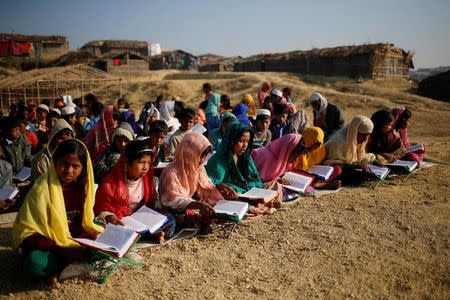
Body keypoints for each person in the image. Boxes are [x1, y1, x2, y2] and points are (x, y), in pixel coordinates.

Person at [12, 139, 103, 284]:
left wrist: (82, 241)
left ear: (83, 167)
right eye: (64, 164)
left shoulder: (82, 190)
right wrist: (62, 249)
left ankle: (62, 268)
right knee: (35, 263)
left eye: (75, 166)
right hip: (47, 245)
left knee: (98, 233)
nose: (68, 171)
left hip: (70, 240)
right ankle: (64, 266)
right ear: (55, 162)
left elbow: (82, 223)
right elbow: (28, 234)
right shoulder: (41, 191)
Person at [94, 140, 173, 242]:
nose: (145, 168)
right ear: (127, 161)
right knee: (110, 228)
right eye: (141, 162)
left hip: (139, 219)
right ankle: (148, 234)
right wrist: (111, 218)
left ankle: (144, 234)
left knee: (169, 218)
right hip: (121, 220)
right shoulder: (110, 183)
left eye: (148, 163)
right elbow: (99, 209)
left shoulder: (147, 180)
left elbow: (150, 205)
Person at [206, 121, 281, 214]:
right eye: (241, 141)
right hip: (235, 193)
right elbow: (210, 184)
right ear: (231, 140)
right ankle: (257, 206)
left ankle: (257, 204)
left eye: (247, 141)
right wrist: (221, 186)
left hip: (249, 190)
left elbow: (254, 179)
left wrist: (255, 190)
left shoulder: (245, 156)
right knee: (234, 198)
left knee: (275, 185)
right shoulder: (218, 159)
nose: (245, 145)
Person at [159, 132, 224, 230]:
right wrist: (196, 204)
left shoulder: (197, 167)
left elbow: (206, 186)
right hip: (174, 210)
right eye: (201, 155)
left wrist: (219, 188)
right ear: (190, 153)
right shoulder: (171, 173)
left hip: (188, 204)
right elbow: (172, 200)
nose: (203, 160)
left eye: (205, 156)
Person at [323, 115, 376, 185]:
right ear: (354, 131)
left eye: (368, 135)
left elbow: (361, 158)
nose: (365, 139)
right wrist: (355, 166)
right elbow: (330, 164)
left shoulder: (357, 140)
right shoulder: (338, 142)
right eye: (363, 135)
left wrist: (375, 162)